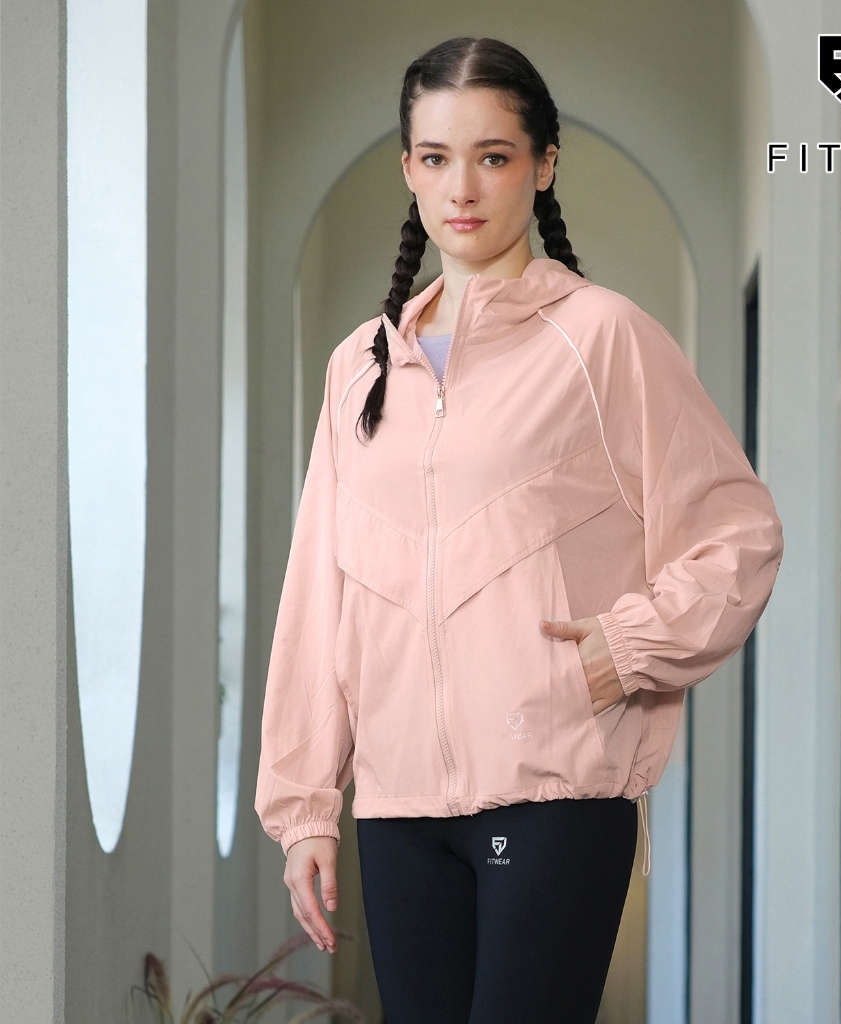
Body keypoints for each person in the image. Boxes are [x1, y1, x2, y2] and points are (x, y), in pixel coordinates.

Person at [255, 36, 784, 1024]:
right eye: (437, 157)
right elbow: (319, 590)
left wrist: (625, 647)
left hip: (554, 797)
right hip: (399, 808)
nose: (462, 187)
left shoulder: (603, 337)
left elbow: (738, 533)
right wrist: (304, 806)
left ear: (543, 166)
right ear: (409, 168)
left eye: (493, 156)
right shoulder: (359, 366)